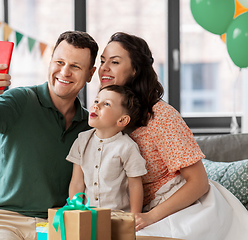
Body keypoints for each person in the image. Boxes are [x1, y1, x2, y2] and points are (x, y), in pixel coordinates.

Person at [98, 32, 248, 240]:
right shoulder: (107, 118)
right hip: (146, 212)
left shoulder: (160, 115)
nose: (104, 68)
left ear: (135, 70)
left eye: (114, 62)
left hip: (190, 209)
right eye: (102, 61)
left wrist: (150, 217)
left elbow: (198, 183)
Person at [0, 31, 98, 240]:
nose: (65, 71)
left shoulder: (89, 126)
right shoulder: (22, 99)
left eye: (76, 66)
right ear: (50, 62)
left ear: (90, 74)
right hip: (0, 220)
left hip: (55, 224)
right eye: (59, 62)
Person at [67, 85, 147, 213]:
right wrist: (75, 212)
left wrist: (134, 216)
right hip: (88, 215)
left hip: (117, 215)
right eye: (96, 101)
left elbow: (135, 185)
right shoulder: (81, 141)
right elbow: (77, 182)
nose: (96, 106)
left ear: (122, 120)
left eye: (107, 104)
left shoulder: (127, 147)